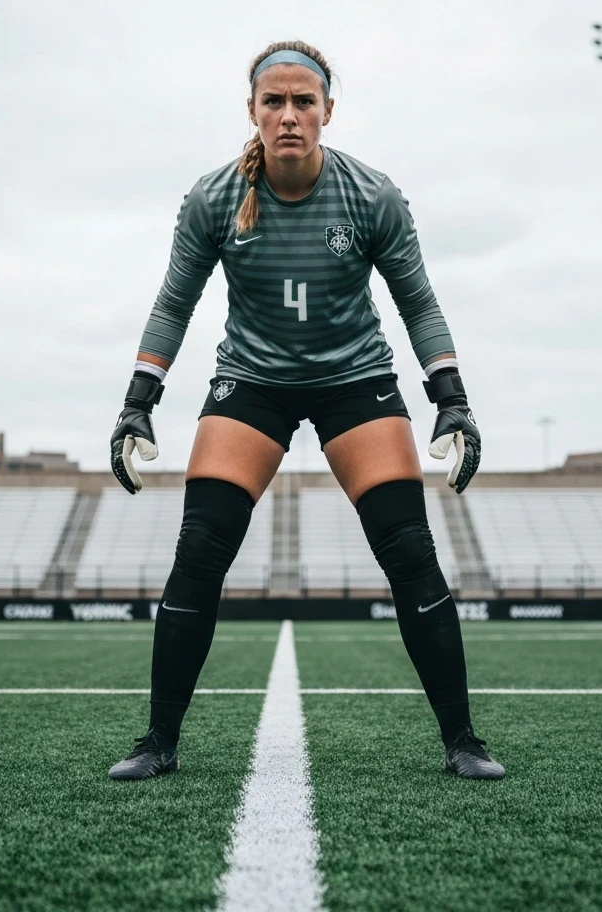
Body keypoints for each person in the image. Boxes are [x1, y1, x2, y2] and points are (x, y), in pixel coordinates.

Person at [107, 40, 504, 782]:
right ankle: (158, 741)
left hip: (353, 377)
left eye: (304, 102)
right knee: (199, 551)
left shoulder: (372, 195)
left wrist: (451, 397)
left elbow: (417, 301)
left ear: (328, 111)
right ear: (252, 111)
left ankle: (463, 740)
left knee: (411, 553)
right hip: (252, 379)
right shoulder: (213, 199)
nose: (289, 116)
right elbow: (174, 303)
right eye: (274, 102)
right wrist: (138, 401)